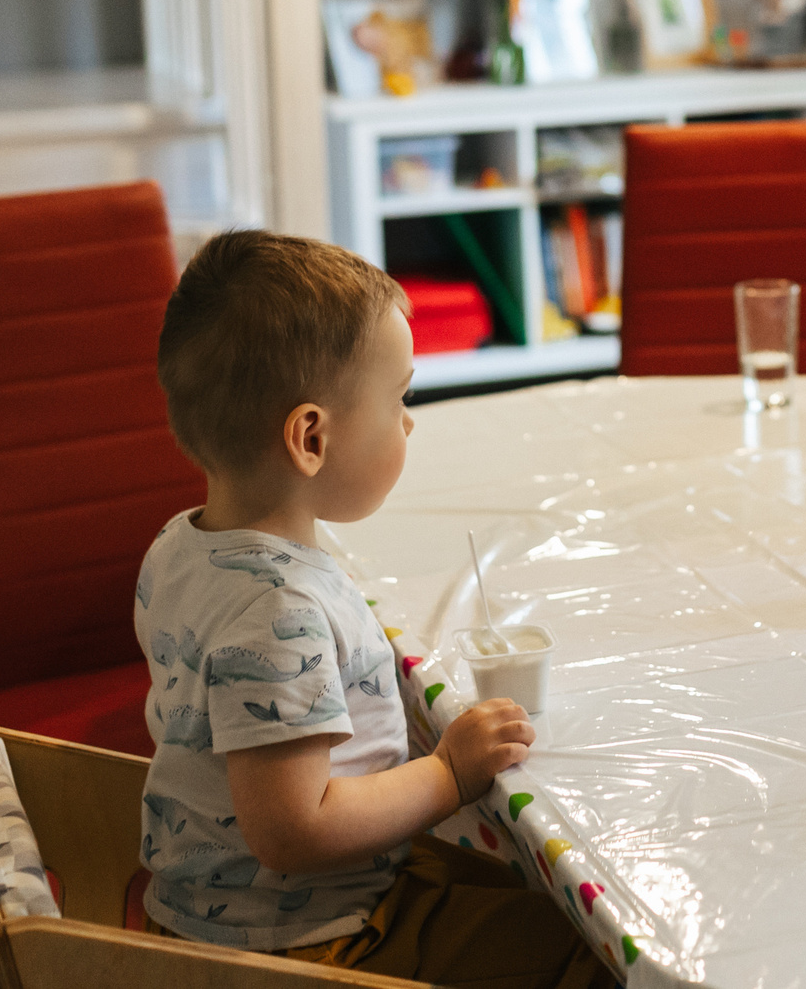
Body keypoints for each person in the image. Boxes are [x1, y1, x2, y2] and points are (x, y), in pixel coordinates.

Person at [136, 230, 612, 987]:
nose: (409, 421)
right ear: (311, 437)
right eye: (400, 399)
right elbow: (295, 830)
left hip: (231, 907)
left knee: (520, 889)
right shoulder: (277, 611)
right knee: (583, 950)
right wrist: (448, 772)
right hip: (304, 941)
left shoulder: (179, 545)